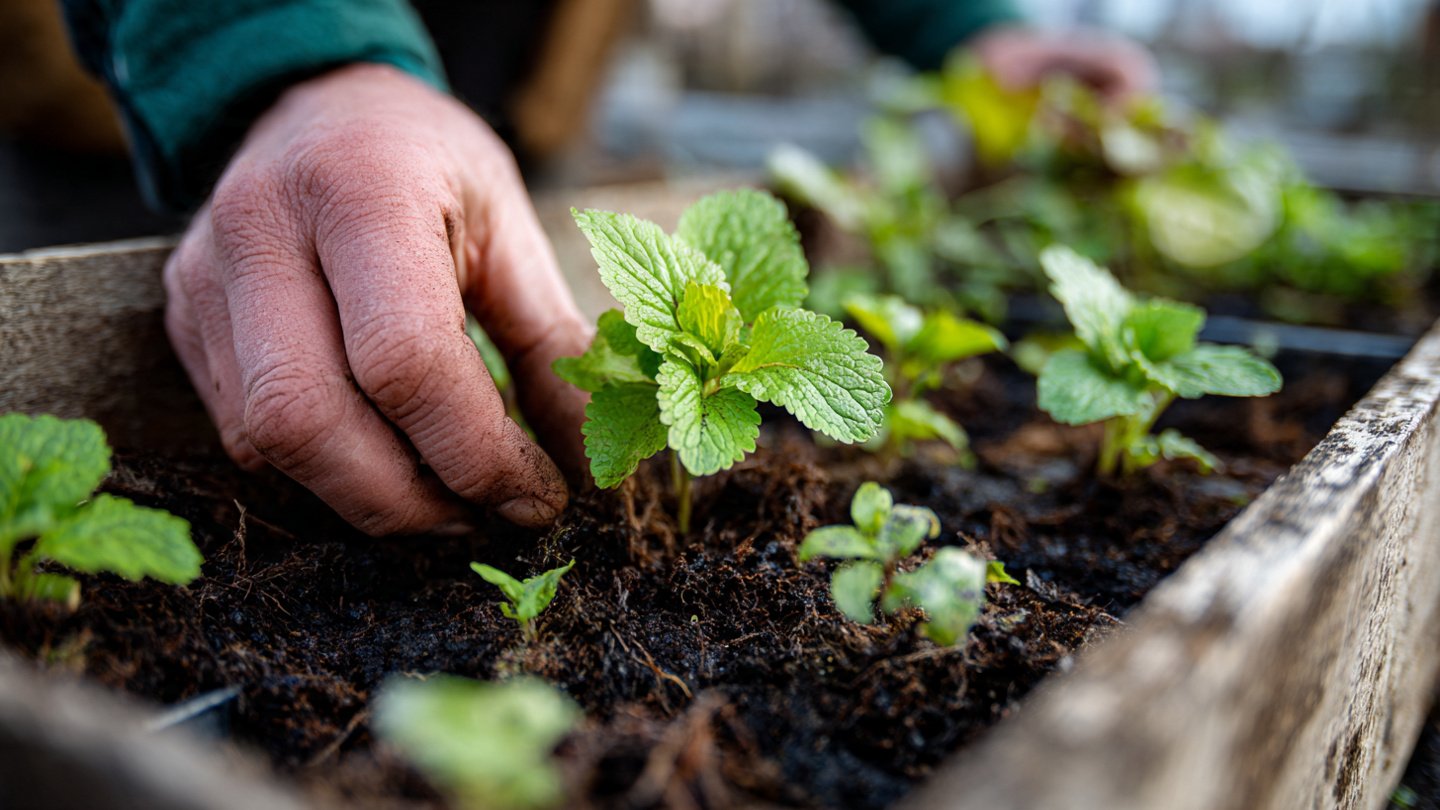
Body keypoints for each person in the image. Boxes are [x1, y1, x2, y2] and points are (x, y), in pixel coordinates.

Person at [58, 0, 1154, 535]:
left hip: (513, 93)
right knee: (255, 325)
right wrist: (280, 53)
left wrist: (961, 26)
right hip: (158, 91)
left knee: (464, 335)